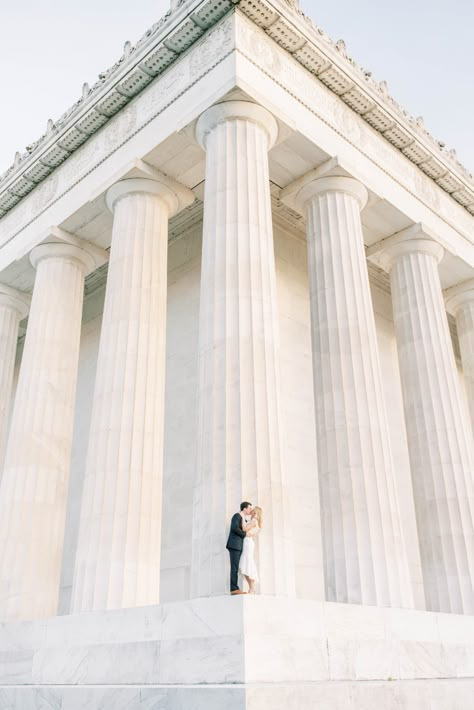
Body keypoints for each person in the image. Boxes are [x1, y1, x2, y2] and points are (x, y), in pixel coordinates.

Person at [226, 501, 252, 595]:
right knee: (234, 568)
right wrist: (245, 534)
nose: (250, 510)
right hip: (234, 545)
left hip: (238, 546)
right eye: (249, 508)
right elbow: (234, 528)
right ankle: (234, 589)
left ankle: (235, 588)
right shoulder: (237, 516)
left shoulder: (243, 519)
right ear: (244, 508)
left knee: (236, 567)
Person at [239, 506, 262, 594]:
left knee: (247, 563)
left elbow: (245, 529)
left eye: (252, 511)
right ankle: (251, 588)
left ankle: (252, 588)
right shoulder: (255, 521)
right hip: (248, 542)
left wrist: (242, 517)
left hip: (248, 543)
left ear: (255, 513)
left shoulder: (254, 521)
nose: (251, 512)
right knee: (245, 564)